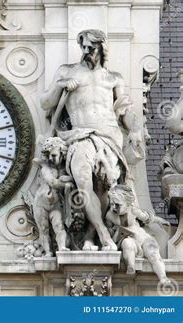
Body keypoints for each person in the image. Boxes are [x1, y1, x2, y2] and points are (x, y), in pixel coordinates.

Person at [41, 29, 143, 251]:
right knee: (83, 182)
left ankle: (91, 236)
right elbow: (46, 103)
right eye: (84, 46)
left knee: (105, 187)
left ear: (101, 48)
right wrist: (60, 85)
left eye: (91, 47)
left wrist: (134, 130)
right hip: (80, 136)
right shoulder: (67, 72)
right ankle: (104, 234)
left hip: (109, 136)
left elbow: (124, 112)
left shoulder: (113, 78)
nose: (87, 51)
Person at [105, 185, 170, 285]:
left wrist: (160, 220)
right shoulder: (110, 216)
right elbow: (108, 233)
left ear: (127, 203)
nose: (114, 207)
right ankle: (131, 267)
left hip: (142, 237)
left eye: (117, 205)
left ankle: (163, 277)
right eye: (112, 204)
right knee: (127, 244)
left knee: (153, 253)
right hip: (128, 239)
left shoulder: (133, 210)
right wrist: (115, 233)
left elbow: (147, 218)